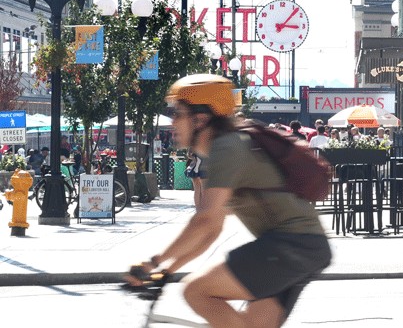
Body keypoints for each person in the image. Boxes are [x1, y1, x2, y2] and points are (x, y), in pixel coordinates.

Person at [126, 74, 331, 327]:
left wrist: (154, 263)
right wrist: (166, 271)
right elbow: (211, 230)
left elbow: (205, 220)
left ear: (200, 119)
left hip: (289, 245)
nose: (173, 121)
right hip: (302, 247)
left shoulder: (227, 147)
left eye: (178, 113)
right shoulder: (226, 148)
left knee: (196, 291)